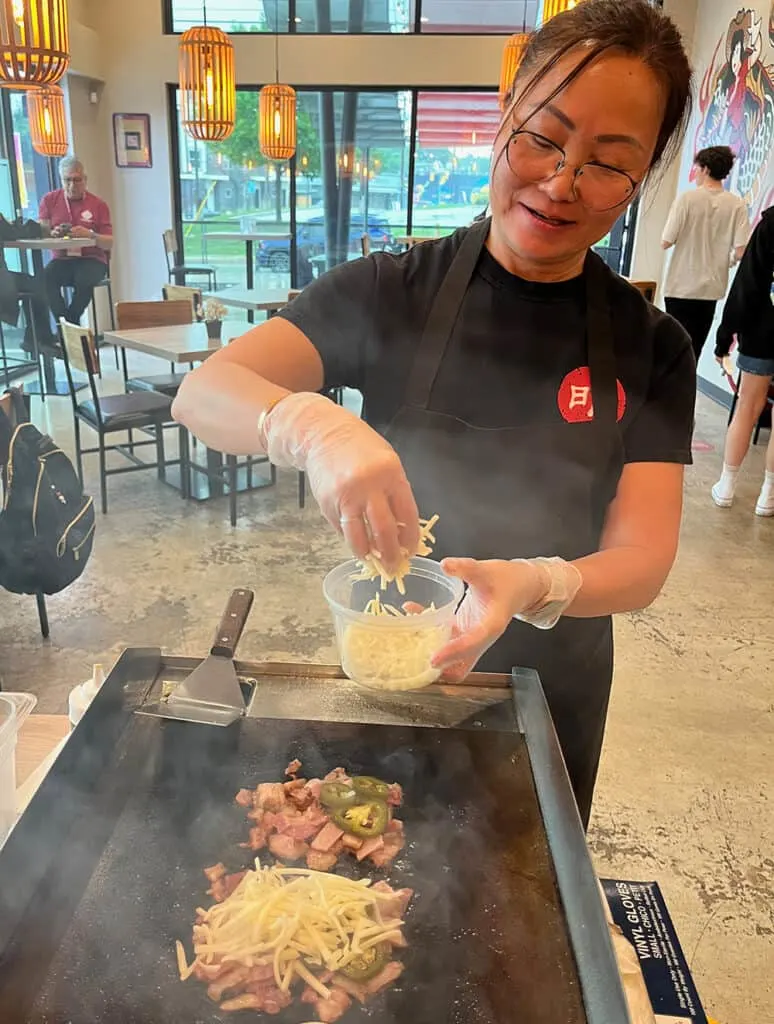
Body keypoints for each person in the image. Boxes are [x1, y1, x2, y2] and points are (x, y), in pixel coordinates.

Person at [172, 0, 695, 827]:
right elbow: (203, 392)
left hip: (549, 691)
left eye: (607, 163)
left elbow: (644, 558)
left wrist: (538, 581)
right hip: (396, 675)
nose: (560, 182)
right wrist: (316, 427)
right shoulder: (389, 292)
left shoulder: (652, 345)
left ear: (642, 181)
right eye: (543, 136)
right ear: (506, 111)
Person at [712, 206, 774, 516]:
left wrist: (725, 337)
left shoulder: (770, 226)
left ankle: (726, 486)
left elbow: (747, 286)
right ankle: (768, 494)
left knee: (748, 406)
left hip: (762, 334)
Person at [661, 145, 749, 364]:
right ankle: (686, 395)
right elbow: (741, 252)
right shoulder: (737, 205)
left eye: (697, 168)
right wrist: (723, 260)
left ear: (706, 168)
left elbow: (666, 241)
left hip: (680, 286)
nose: (696, 173)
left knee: (671, 349)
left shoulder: (687, 199)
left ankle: (665, 395)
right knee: (693, 353)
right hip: (711, 289)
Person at [38, 156, 112, 327]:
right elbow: (42, 231)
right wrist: (52, 233)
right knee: (45, 277)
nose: (72, 185)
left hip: (92, 259)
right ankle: (64, 324)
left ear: (85, 180)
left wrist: (91, 235)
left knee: (84, 278)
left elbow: (109, 243)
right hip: (62, 260)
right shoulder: (49, 200)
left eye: (77, 180)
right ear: (61, 180)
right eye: (67, 180)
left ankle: (69, 325)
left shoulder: (98, 204)